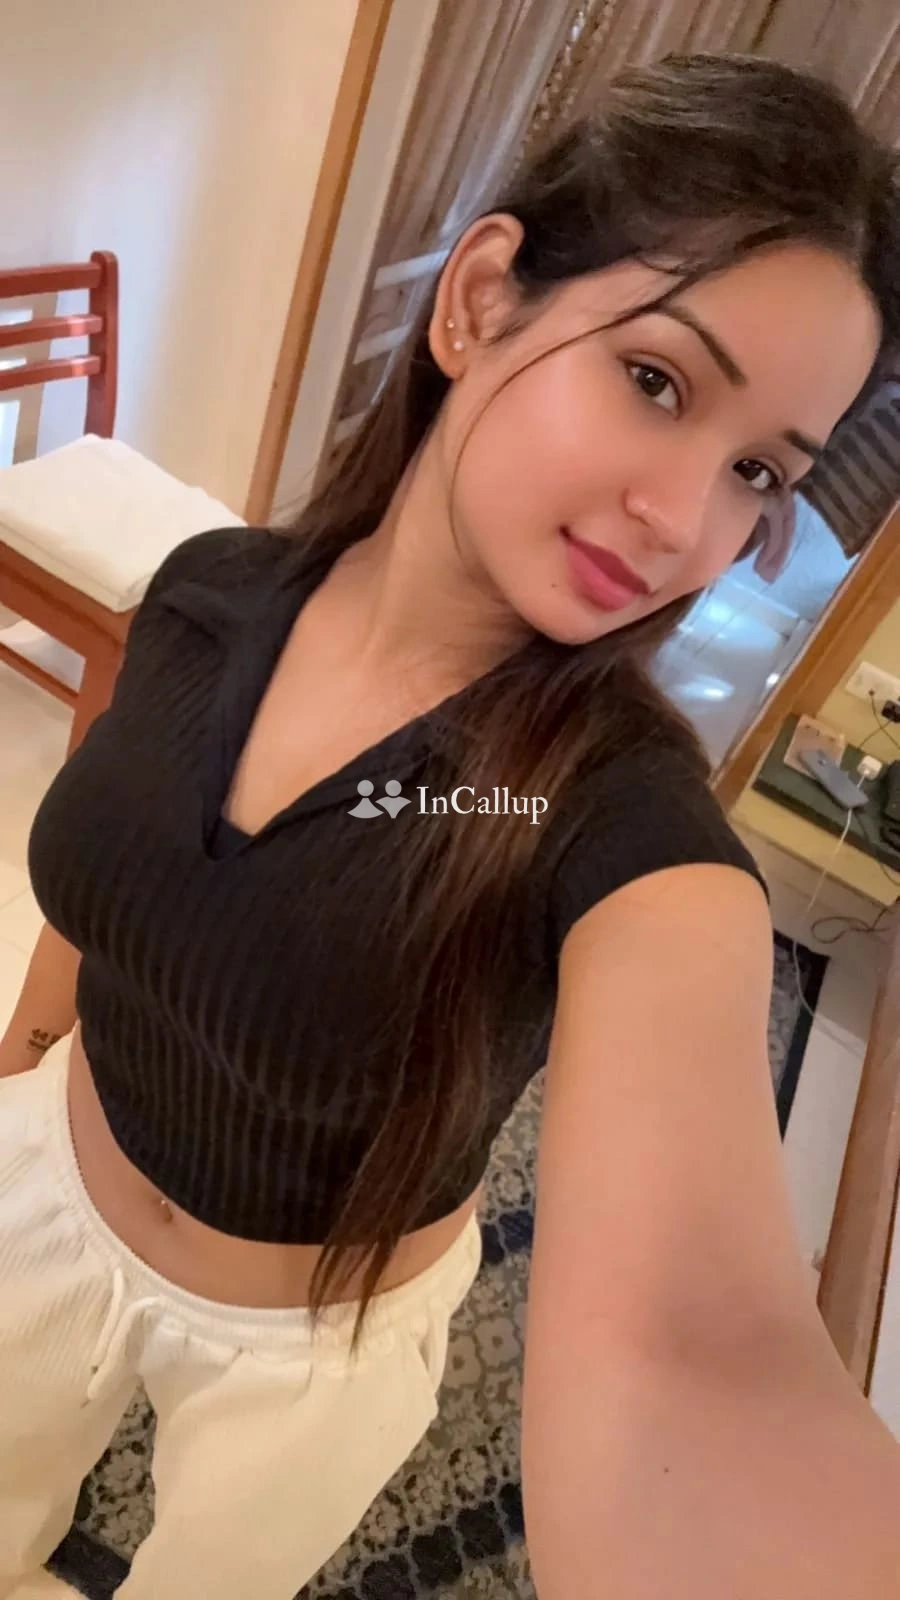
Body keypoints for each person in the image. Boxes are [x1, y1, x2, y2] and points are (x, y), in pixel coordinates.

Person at [1, 51, 899, 1600]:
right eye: (659, 381)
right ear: (482, 299)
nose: (688, 521)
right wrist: (23, 1052)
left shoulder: (608, 819)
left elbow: (700, 1353)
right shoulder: (207, 592)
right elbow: (106, 877)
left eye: (758, 472)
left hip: (304, 1359)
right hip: (47, 1192)